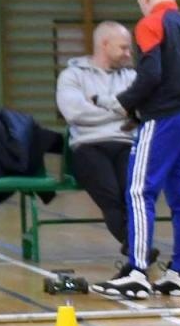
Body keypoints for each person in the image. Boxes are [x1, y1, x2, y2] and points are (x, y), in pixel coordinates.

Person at [94, 0, 180, 298]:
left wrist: (124, 103)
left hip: (162, 120)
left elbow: (151, 74)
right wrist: (179, 99)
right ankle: (179, 272)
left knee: (138, 191)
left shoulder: (150, 23)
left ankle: (137, 272)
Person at [55, 21, 139, 256]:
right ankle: (136, 247)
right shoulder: (72, 76)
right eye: (123, 47)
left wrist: (100, 106)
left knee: (132, 195)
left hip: (126, 144)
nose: (129, 53)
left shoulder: (132, 77)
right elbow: (75, 113)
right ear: (104, 44)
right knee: (110, 195)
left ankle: (136, 247)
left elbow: (141, 111)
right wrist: (121, 111)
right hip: (87, 146)